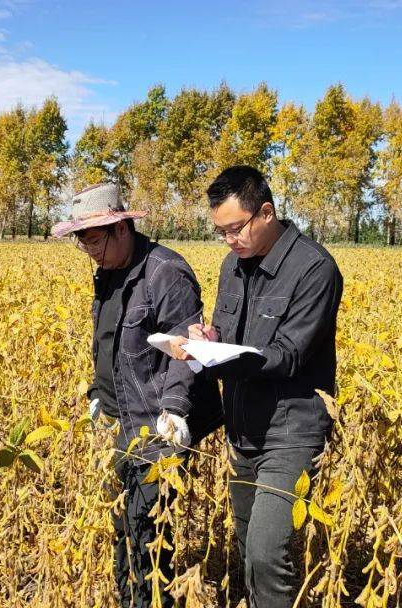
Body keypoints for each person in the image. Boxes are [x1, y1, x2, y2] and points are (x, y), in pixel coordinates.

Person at [167, 166, 343, 608]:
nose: (229, 240)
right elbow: (228, 333)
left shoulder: (314, 268)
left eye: (235, 229)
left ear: (266, 212)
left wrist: (225, 356)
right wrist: (206, 342)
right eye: (221, 232)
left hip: (292, 431)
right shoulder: (233, 264)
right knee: (246, 545)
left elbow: (289, 354)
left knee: (267, 552)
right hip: (242, 428)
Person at [52, 183, 222, 608]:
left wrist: (175, 410)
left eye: (94, 239)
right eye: (82, 242)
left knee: (147, 531)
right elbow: (105, 342)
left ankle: (148, 601)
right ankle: (128, 599)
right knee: (122, 525)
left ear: (121, 227)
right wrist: (97, 394)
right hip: (119, 421)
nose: (89, 250)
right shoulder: (108, 273)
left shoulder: (166, 271)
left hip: (156, 425)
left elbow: (186, 344)